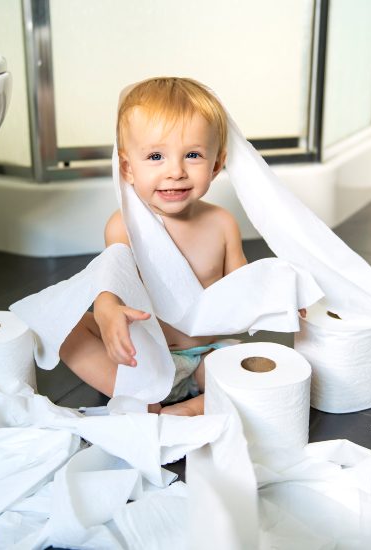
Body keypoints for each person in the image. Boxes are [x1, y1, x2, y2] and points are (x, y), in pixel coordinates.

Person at [59, 77, 247, 416]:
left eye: (192, 155)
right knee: (64, 329)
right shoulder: (123, 226)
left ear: (216, 165)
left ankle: (189, 408)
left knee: (240, 370)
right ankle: (148, 398)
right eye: (156, 156)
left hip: (207, 353)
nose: (175, 171)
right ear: (128, 168)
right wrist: (107, 311)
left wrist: (281, 294)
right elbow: (110, 282)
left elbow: (247, 286)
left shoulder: (222, 224)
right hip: (146, 356)